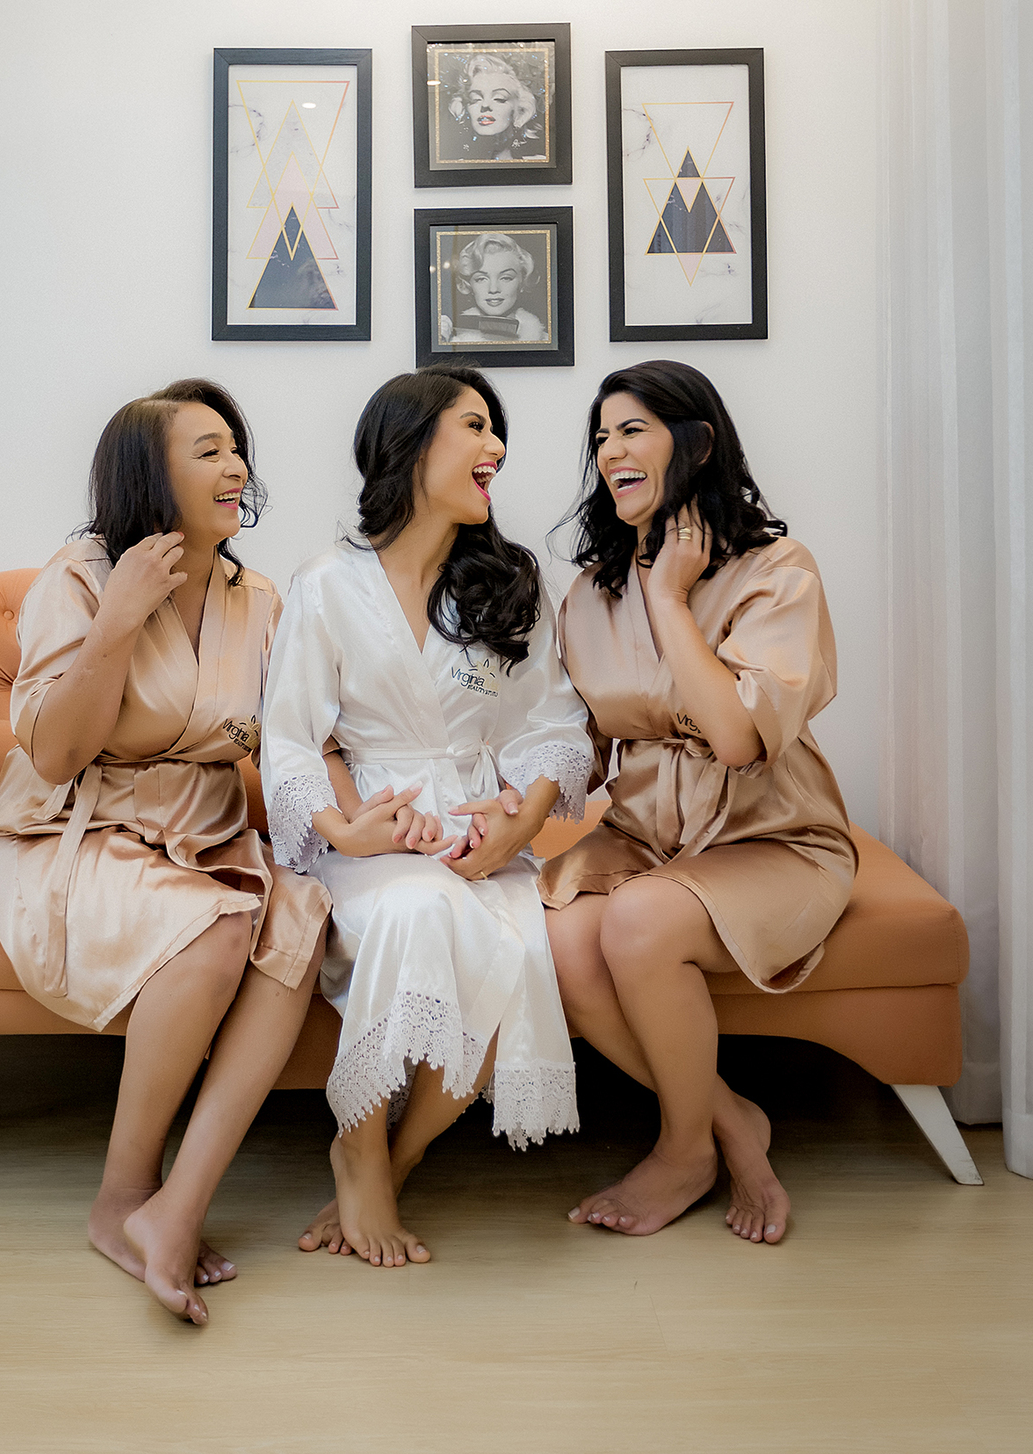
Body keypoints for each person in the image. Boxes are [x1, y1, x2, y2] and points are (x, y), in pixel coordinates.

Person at [0, 379, 329, 1324]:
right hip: (81, 830)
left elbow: (291, 742)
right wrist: (119, 618)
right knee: (216, 931)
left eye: (236, 447)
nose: (235, 466)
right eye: (208, 450)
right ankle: (122, 1194)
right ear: (148, 474)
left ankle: (177, 1206)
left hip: (204, 835)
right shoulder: (80, 578)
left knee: (300, 917)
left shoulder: (258, 597)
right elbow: (56, 753)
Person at [261, 367, 592, 1268]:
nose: (497, 448)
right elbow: (290, 738)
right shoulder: (326, 584)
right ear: (410, 446)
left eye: (496, 430)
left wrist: (520, 824)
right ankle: (361, 1140)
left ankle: (386, 1161)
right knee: (416, 908)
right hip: (372, 836)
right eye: (475, 426)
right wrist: (343, 829)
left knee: (513, 958)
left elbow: (551, 725)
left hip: (480, 838)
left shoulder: (509, 583)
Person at [540, 361, 857, 1247]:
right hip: (645, 838)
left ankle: (684, 1151)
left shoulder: (778, 571)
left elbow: (736, 737)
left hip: (774, 838)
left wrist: (671, 599)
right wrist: (491, 799)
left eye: (632, 429)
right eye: (602, 435)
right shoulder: (589, 593)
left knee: (639, 921)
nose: (610, 449)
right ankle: (732, 1121)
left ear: (699, 441)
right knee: (557, 936)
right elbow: (574, 750)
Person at [438, 232, 549, 346]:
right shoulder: (448, 340)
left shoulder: (545, 341)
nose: (493, 289)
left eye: (506, 278)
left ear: (522, 281)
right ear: (468, 285)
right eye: (481, 279)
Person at [445, 52, 547, 163]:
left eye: (499, 98)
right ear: (465, 109)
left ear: (520, 111)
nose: (485, 105)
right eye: (475, 99)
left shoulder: (538, 163)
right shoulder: (451, 167)